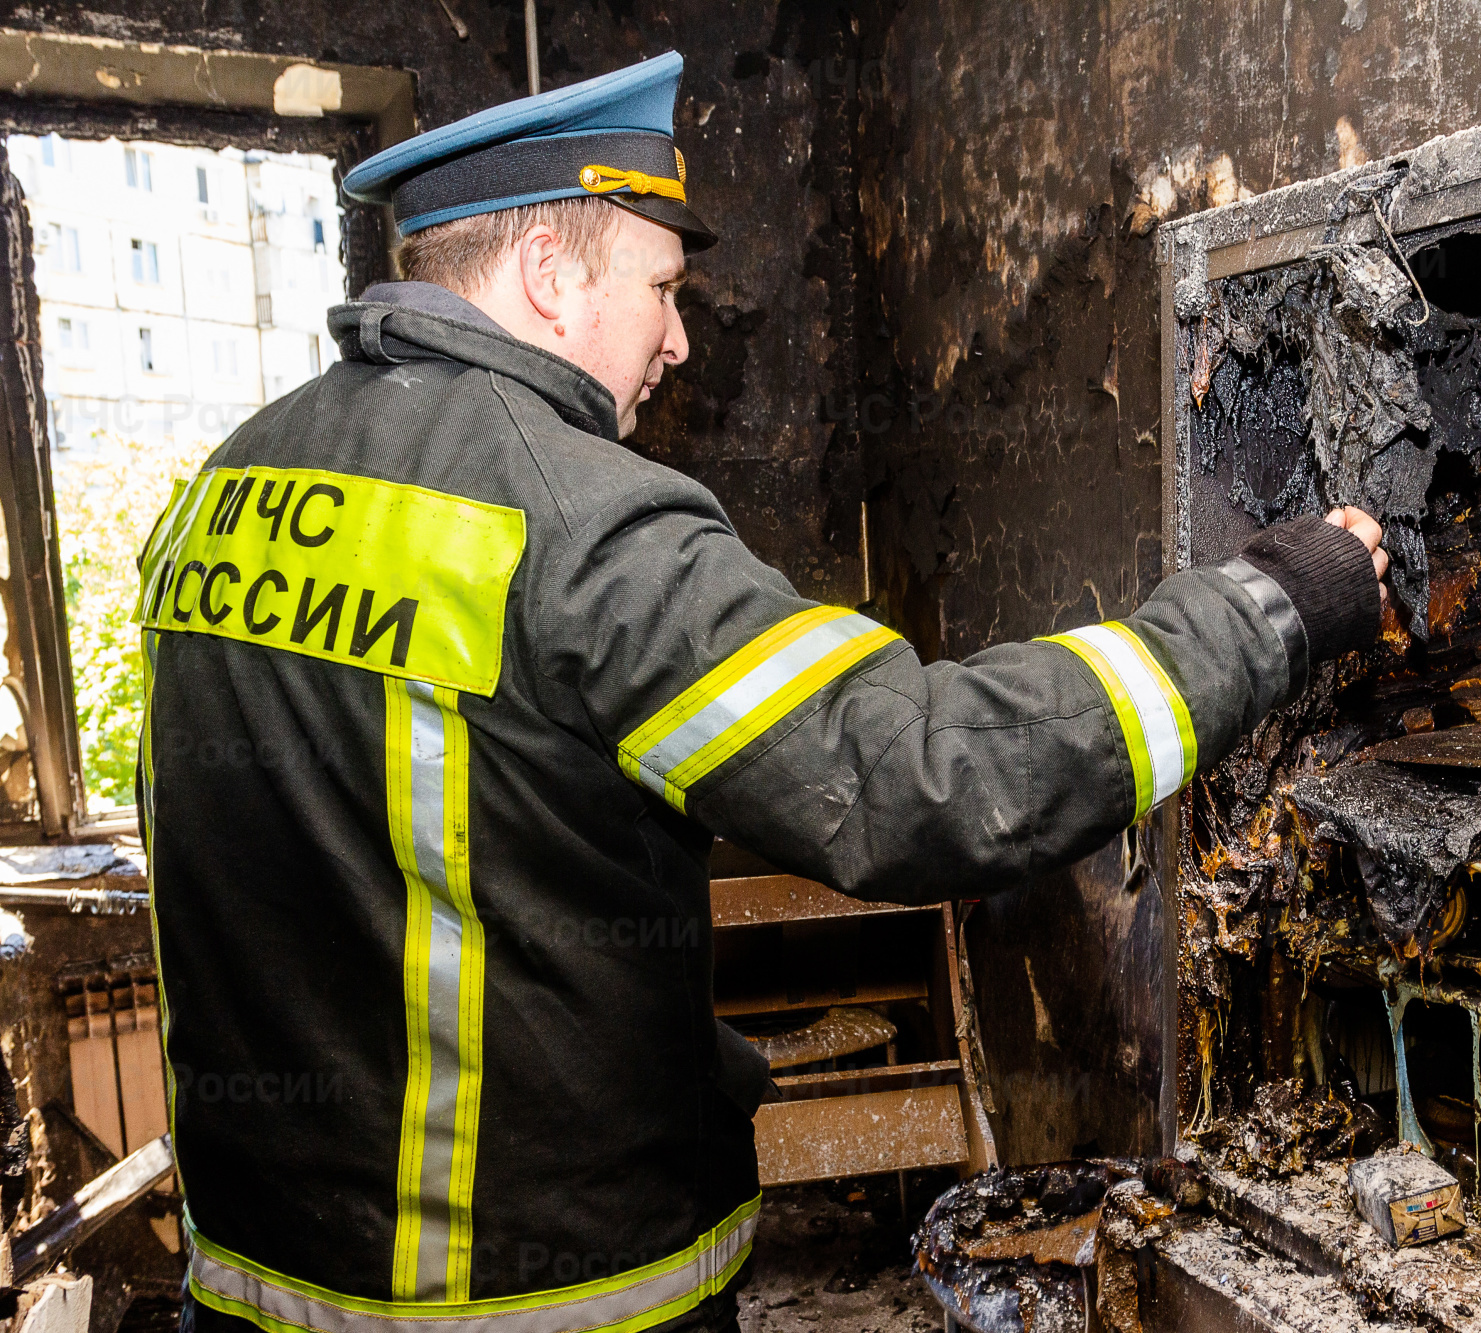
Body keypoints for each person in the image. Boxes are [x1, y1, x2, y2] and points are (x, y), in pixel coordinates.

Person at [137, 49, 1389, 1333]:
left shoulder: (225, 490)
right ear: (549, 279)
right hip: (535, 1299)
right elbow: (916, 775)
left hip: (256, 1286)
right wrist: (1268, 607)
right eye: (663, 287)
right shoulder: (577, 520)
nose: (678, 339)